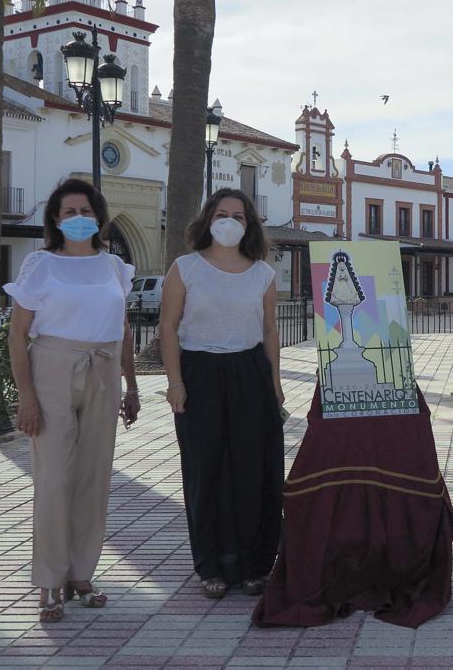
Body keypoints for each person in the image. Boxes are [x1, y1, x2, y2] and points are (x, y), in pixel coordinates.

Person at [5, 178, 140, 623]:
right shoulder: (41, 265)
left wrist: (132, 385)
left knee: (93, 478)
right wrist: (26, 395)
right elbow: (19, 334)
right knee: (56, 477)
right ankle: (48, 579)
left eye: (85, 211)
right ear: (56, 221)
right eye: (69, 213)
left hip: (103, 370)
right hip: (53, 369)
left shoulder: (115, 267)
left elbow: (122, 330)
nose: (78, 219)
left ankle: (81, 574)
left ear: (98, 216)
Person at [159, 188, 285, 600]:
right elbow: (168, 328)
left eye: (239, 216)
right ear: (208, 219)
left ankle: (254, 566)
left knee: (253, 470)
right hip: (200, 373)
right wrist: (175, 383)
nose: (230, 221)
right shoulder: (186, 268)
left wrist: (275, 384)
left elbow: (269, 331)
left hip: (250, 372)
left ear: (250, 225)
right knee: (205, 470)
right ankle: (211, 566)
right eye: (222, 213)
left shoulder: (262, 274)